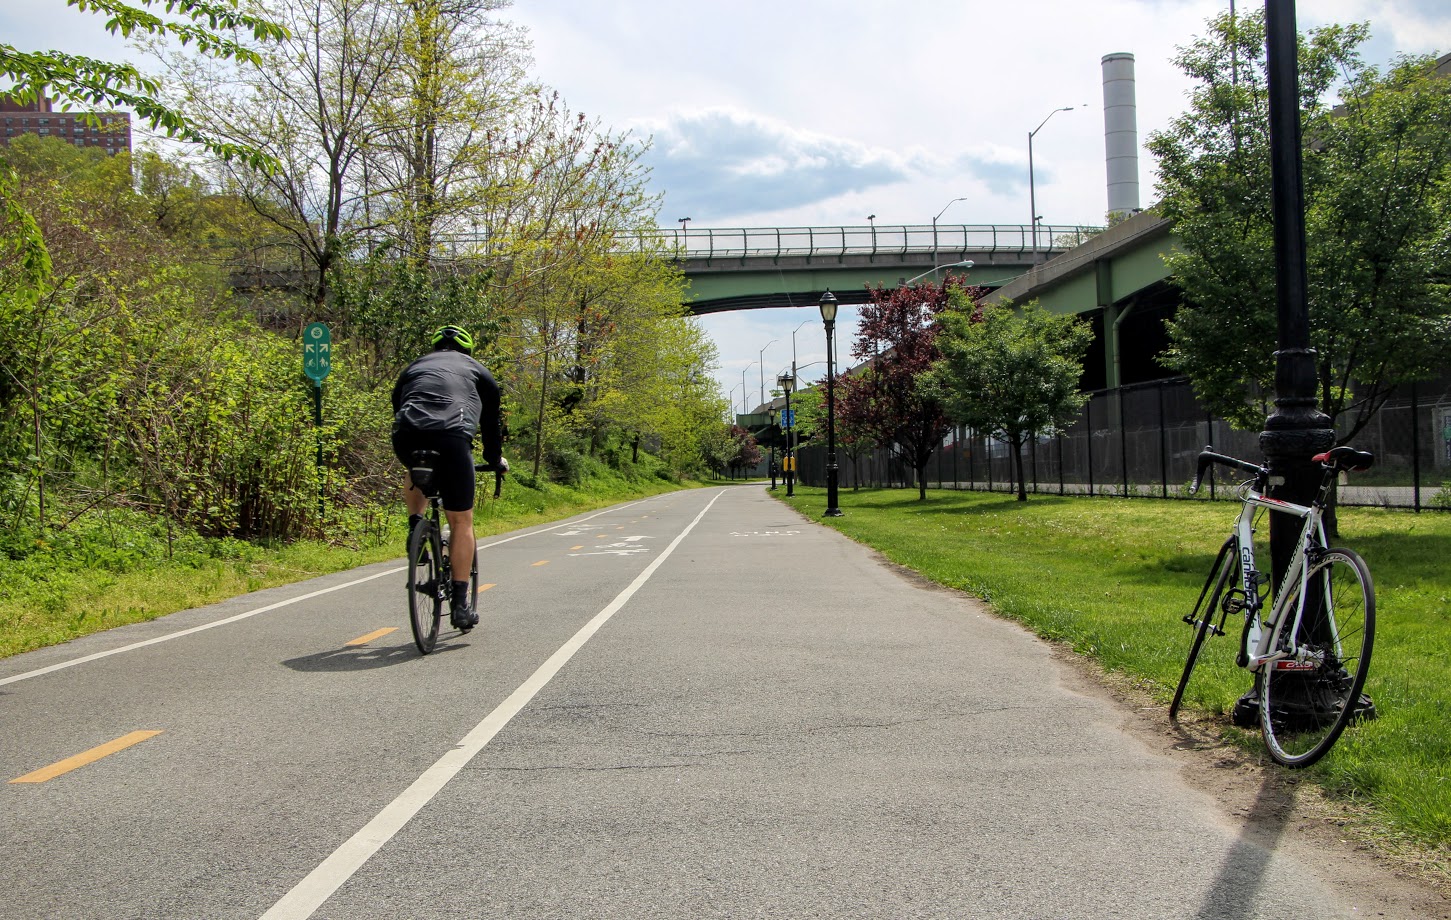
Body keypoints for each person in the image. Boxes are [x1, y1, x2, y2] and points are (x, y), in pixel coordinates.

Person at [391, 324, 505, 630]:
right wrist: (494, 460)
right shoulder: (478, 371)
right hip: (453, 437)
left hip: (406, 434)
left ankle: (416, 523)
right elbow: (492, 425)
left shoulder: (415, 366)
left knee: (414, 467)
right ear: (467, 350)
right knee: (461, 521)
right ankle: (459, 604)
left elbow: (397, 404)